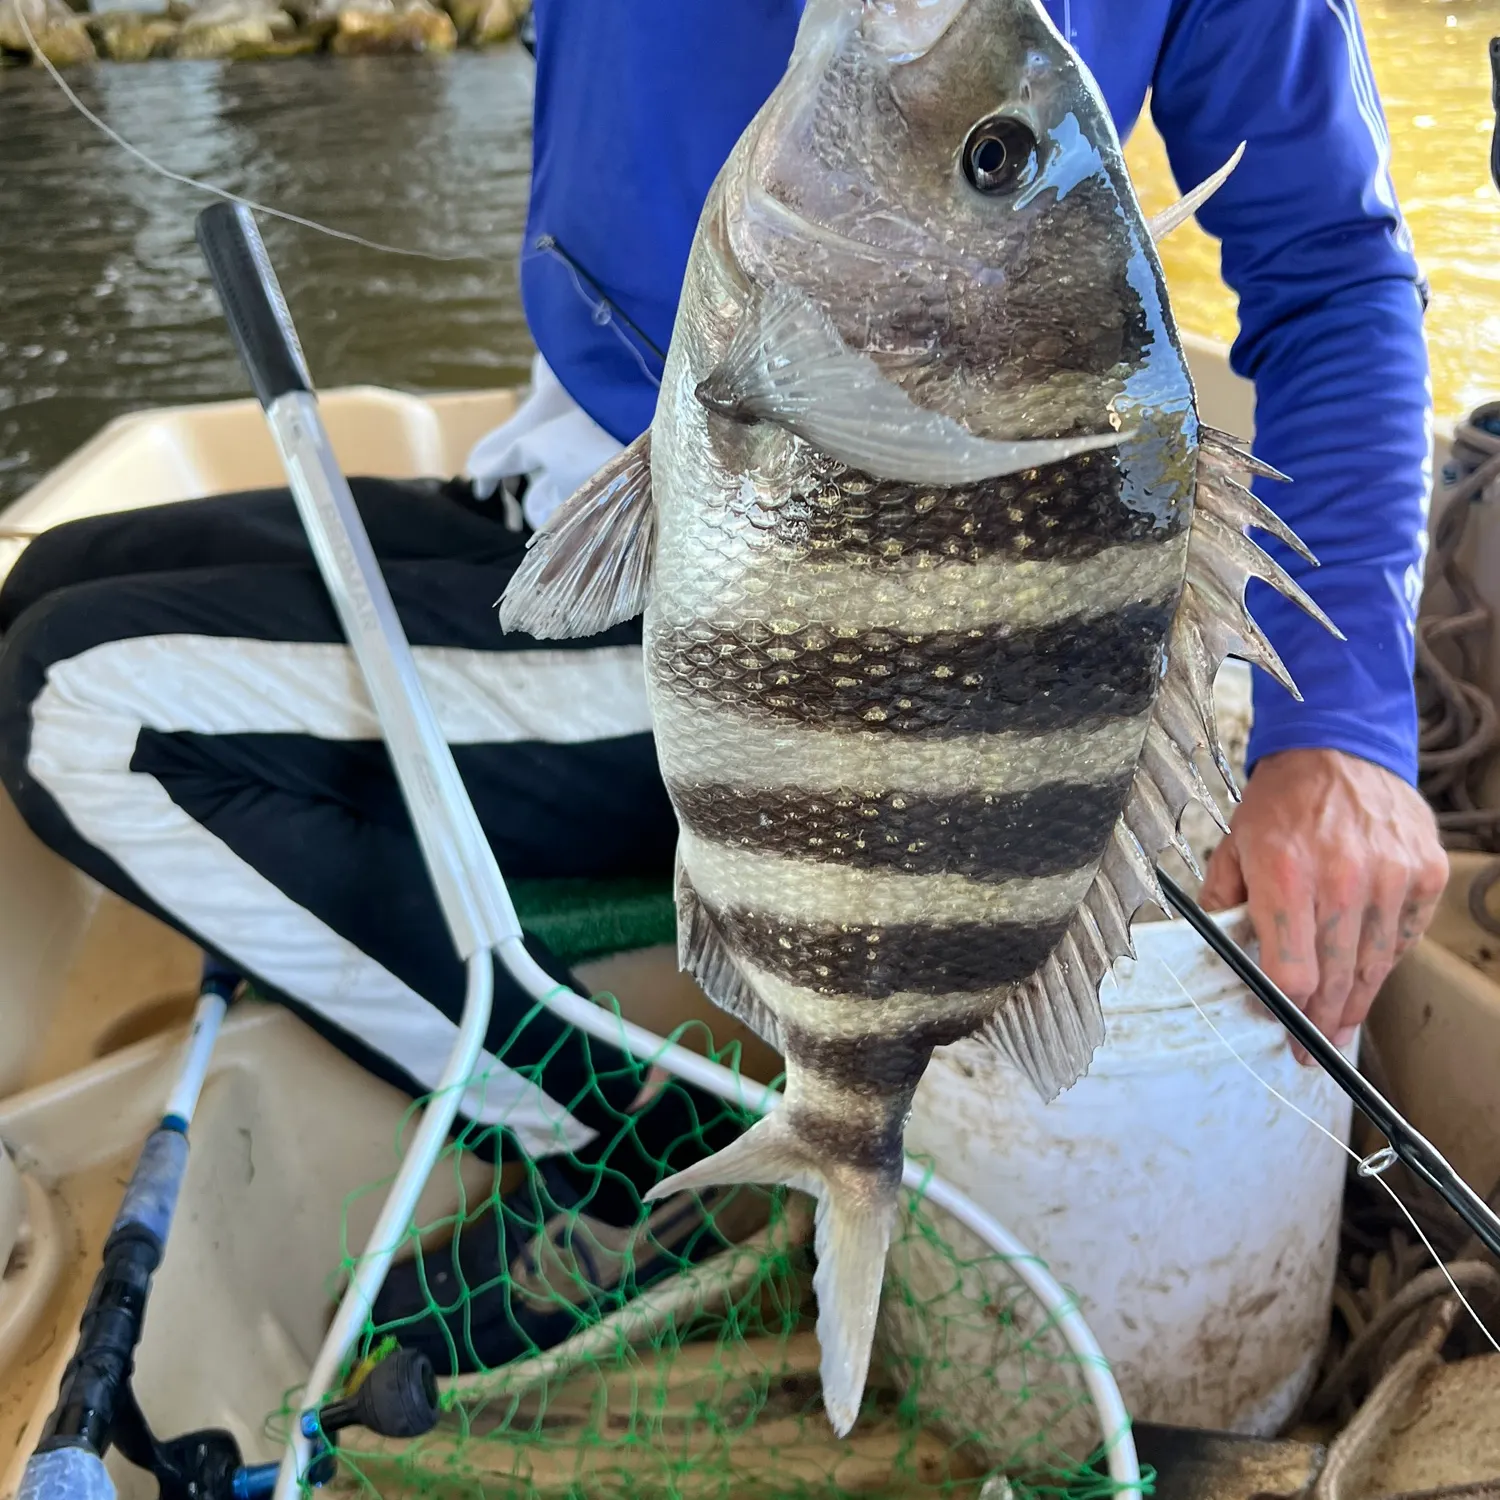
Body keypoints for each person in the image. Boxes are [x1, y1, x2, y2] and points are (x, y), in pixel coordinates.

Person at [0, 0, 1448, 1369]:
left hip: (790, 639)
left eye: (992, 151)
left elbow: (1331, 266)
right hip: (606, 476)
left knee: (74, 699)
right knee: (50, 582)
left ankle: (613, 1148)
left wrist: (1347, 725)